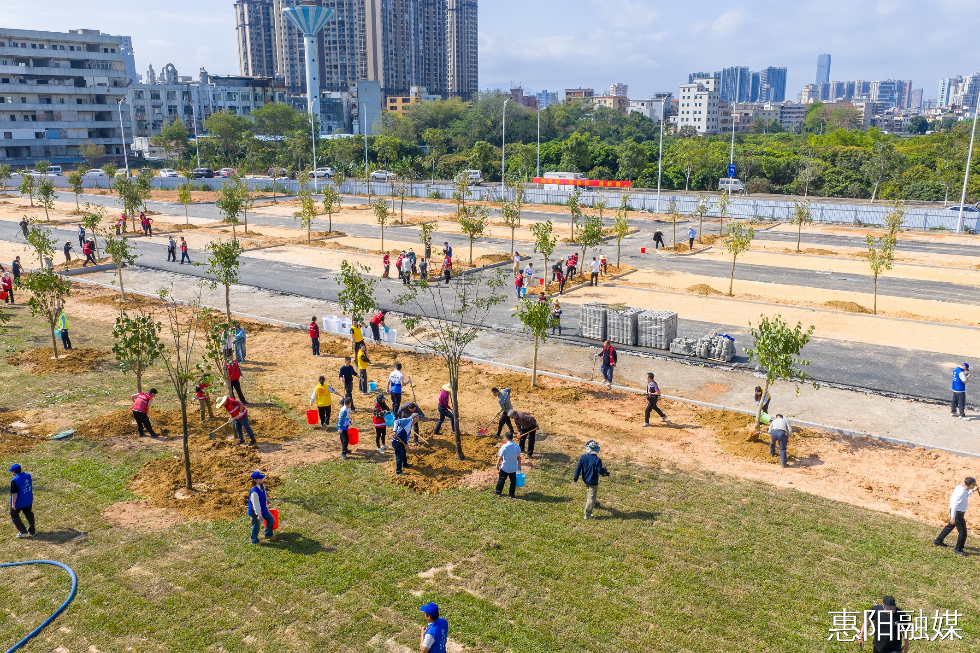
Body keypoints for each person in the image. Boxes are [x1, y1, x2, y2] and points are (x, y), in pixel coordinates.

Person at [934, 477, 977, 556]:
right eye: (974, 485)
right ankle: (958, 549)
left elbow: (966, 494)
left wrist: (973, 490)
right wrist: (953, 517)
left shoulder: (960, 487)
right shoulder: (961, 493)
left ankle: (938, 540)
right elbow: (954, 505)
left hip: (957, 512)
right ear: (971, 485)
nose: (975, 485)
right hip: (958, 514)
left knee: (950, 526)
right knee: (963, 532)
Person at [574, 440, 610, 520]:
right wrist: (605, 471)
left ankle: (594, 502)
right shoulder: (597, 460)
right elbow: (600, 471)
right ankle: (587, 514)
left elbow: (578, 468)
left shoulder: (583, 457)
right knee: (591, 497)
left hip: (585, 479)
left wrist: (575, 478)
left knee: (589, 490)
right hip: (593, 481)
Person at [9, 463, 35, 538]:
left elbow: (14, 494)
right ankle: (32, 531)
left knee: (14, 515)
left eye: (12, 471)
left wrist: (13, 504)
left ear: (14, 471)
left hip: (19, 503)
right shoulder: (28, 475)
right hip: (28, 500)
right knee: (29, 515)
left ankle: (23, 531)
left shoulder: (14, 480)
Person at [247, 470, 274, 544]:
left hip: (263, 508)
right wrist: (259, 515)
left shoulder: (261, 485)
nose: (262, 479)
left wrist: (266, 498)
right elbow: (255, 505)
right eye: (260, 478)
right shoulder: (254, 492)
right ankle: (254, 540)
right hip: (255, 511)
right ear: (255, 480)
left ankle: (268, 534)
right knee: (256, 525)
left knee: (271, 519)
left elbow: (264, 492)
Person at [495, 431, 522, 498]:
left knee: (501, 480)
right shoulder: (517, 447)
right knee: (513, 481)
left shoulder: (504, 447)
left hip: (505, 467)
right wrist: (519, 465)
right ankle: (511, 495)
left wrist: (497, 465)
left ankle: (498, 492)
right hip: (513, 468)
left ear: (506, 438)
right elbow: (518, 458)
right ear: (512, 438)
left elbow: (500, 457)